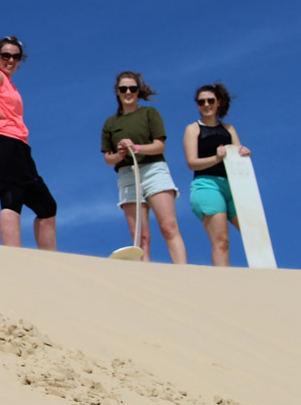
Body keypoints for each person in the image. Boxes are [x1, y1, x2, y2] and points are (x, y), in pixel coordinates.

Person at [0, 35, 57, 250]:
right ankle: (14, 258)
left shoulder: (9, 85)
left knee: (46, 206)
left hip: (17, 146)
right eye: (6, 55)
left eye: (16, 57)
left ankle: (51, 261)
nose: (11, 60)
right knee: (12, 196)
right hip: (2, 142)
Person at [101, 71, 187, 263]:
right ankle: (145, 280)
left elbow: (159, 145)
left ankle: (184, 272)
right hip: (127, 174)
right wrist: (120, 154)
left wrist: (136, 147)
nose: (128, 92)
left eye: (132, 88)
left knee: (168, 226)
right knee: (140, 236)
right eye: (124, 89)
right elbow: (108, 158)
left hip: (153, 170)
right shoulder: (111, 123)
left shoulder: (150, 113)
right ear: (117, 92)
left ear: (138, 91)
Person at [182, 82, 251, 266]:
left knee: (253, 233)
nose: (206, 105)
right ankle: (225, 284)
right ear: (197, 105)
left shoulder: (229, 129)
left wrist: (243, 152)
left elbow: (237, 152)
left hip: (233, 186)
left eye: (210, 100)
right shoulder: (193, 129)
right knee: (221, 240)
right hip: (207, 185)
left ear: (218, 102)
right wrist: (216, 158)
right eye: (201, 101)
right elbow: (192, 162)